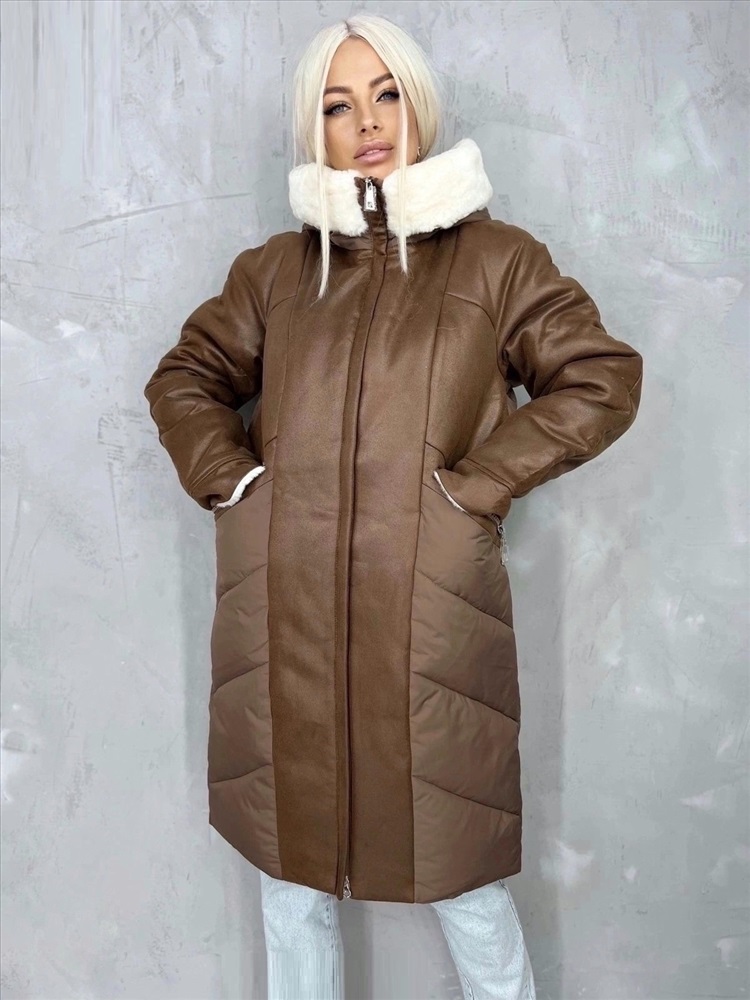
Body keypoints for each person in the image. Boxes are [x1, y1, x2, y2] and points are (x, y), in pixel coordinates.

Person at [143, 13, 643, 1000]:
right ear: (315, 129)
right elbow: (185, 377)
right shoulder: (275, 273)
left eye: (386, 95)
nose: (367, 121)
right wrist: (239, 486)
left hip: (429, 623)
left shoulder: (496, 262)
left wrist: (472, 491)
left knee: (464, 887)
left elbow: (599, 376)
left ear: (419, 107)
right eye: (338, 105)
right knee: (292, 890)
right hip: (283, 626)